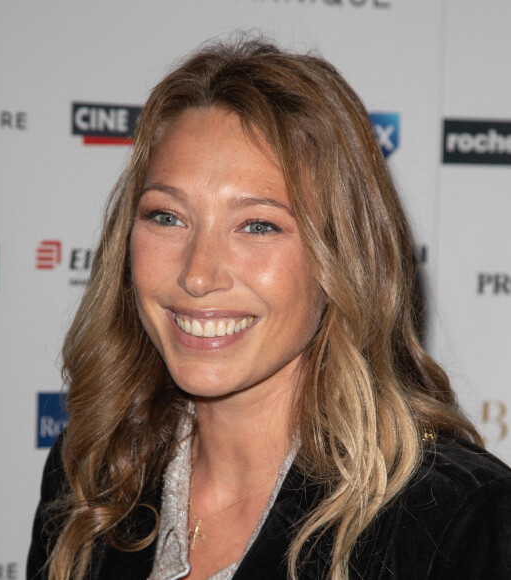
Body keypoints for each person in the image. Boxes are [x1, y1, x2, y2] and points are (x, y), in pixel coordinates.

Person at [27, 39, 511, 580]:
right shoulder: (92, 474)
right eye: (167, 217)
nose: (197, 274)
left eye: (258, 225)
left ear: (342, 259)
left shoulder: (458, 521)